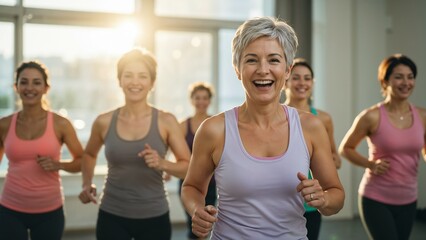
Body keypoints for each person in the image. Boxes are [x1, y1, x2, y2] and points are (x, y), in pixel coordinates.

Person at [181, 16, 345, 239]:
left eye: (273, 60)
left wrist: (324, 200)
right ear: (237, 69)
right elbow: (192, 187)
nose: (263, 70)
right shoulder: (214, 130)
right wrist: (197, 210)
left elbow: (336, 195)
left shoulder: (311, 127)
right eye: (251, 60)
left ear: (287, 70)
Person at [78, 48, 190, 240]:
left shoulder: (166, 121)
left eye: (142, 76)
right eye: (128, 75)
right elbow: (89, 155)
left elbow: (189, 168)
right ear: (119, 80)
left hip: (154, 217)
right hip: (111, 215)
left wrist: (162, 164)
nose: (135, 82)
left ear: (152, 83)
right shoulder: (103, 121)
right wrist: (86, 183)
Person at [339, 54, 426, 240]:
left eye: (410, 77)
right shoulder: (371, 116)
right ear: (385, 82)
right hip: (376, 198)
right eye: (399, 77)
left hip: (409, 198)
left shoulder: (424, 116)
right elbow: (345, 148)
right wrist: (370, 164)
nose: (406, 82)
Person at [0, 61, 84, 240]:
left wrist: (58, 165)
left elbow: (82, 161)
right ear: (16, 87)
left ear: (46, 88)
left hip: (49, 211)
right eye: (24, 82)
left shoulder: (61, 124)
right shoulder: (4, 125)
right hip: (10, 210)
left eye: (37, 82)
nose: (30, 88)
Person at [284, 57, 342, 240]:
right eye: (296, 77)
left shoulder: (323, 119)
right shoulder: (275, 115)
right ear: (285, 80)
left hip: (311, 202)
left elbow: (335, 158)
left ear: (313, 83)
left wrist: (325, 162)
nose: (302, 83)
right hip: (281, 199)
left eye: (307, 78)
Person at [178, 82, 217, 239]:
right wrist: (167, 170)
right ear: (191, 100)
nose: (201, 101)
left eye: (205, 98)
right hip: (188, 181)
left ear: (209, 100)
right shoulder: (183, 126)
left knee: (206, 225)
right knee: (193, 224)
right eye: (197, 98)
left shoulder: (216, 124)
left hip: (211, 182)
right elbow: (173, 150)